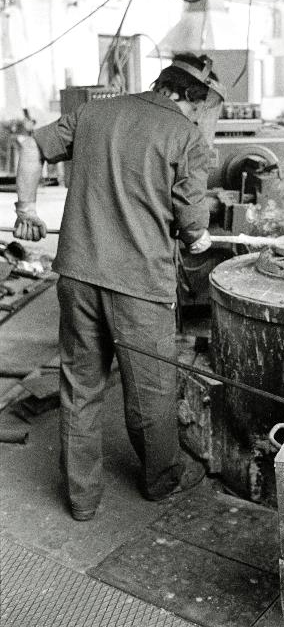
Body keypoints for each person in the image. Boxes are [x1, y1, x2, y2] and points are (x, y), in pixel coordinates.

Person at [13, 53, 225, 521]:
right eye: (200, 105)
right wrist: (198, 236)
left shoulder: (96, 111)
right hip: (139, 285)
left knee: (80, 385)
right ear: (188, 97)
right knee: (150, 390)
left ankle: (82, 500)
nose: (196, 114)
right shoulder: (185, 135)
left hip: (77, 274)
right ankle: (160, 481)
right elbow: (191, 225)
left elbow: (31, 146)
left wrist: (26, 210)